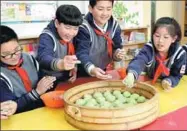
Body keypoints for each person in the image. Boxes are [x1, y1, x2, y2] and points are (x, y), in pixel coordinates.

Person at [0, 25, 56, 113]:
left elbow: (43, 80)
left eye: (17, 49)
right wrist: (37, 92)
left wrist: (48, 81)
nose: (14, 56)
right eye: (7, 54)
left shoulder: (29, 58)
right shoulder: (2, 77)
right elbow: (11, 108)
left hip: (43, 110)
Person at [122, 17, 186, 91]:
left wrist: (169, 81)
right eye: (157, 36)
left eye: (166, 37)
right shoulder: (149, 48)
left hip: (165, 88)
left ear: (174, 39)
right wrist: (132, 74)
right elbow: (139, 60)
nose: (160, 41)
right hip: (150, 83)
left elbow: (176, 75)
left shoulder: (180, 54)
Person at [74, 0, 125, 80]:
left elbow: (117, 47)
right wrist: (92, 69)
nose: (105, 13)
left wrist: (117, 54)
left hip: (102, 70)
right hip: (83, 71)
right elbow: (81, 53)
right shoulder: (84, 27)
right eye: (100, 9)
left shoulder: (114, 25)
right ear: (90, 8)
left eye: (108, 9)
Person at [36, 5, 83, 85]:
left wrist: (73, 67)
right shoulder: (47, 36)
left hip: (65, 79)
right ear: (57, 23)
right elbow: (43, 58)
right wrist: (61, 64)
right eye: (67, 28)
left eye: (75, 28)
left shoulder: (68, 35)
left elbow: (73, 54)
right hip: (49, 82)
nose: (71, 33)